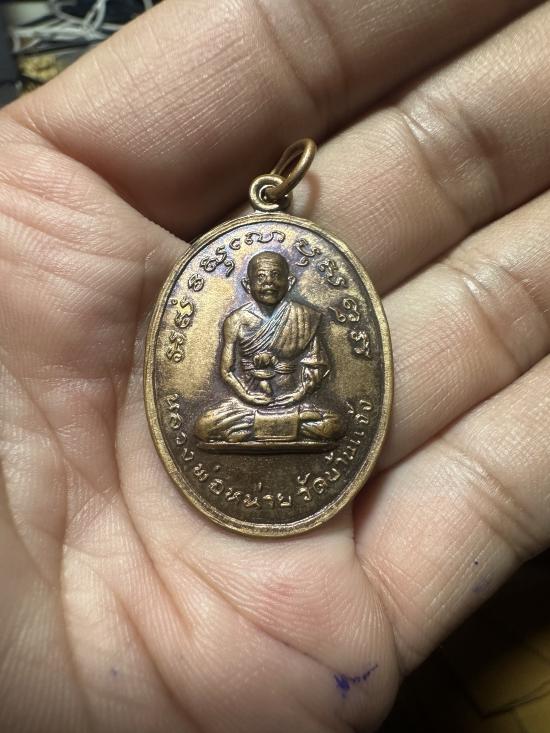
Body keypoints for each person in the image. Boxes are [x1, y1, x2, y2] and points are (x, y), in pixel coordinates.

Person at [1, 1, 549, 732]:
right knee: (211, 423)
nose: (263, 285)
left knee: (328, 422)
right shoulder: (231, 319)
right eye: (255, 278)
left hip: (296, 409)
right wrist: (255, 391)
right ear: (248, 282)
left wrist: (290, 388)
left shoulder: (309, 315)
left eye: (272, 278)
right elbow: (227, 373)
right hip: (246, 411)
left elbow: (319, 368)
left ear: (285, 279)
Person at [195, 251, 344, 445]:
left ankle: (252, 430)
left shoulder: (304, 317)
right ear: (247, 285)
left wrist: (298, 394)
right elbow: (227, 370)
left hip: (292, 402)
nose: (269, 282)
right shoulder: (236, 320)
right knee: (203, 427)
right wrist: (247, 396)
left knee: (335, 425)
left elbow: (317, 364)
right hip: (247, 405)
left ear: (289, 282)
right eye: (260, 277)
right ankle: (288, 426)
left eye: (276, 275)